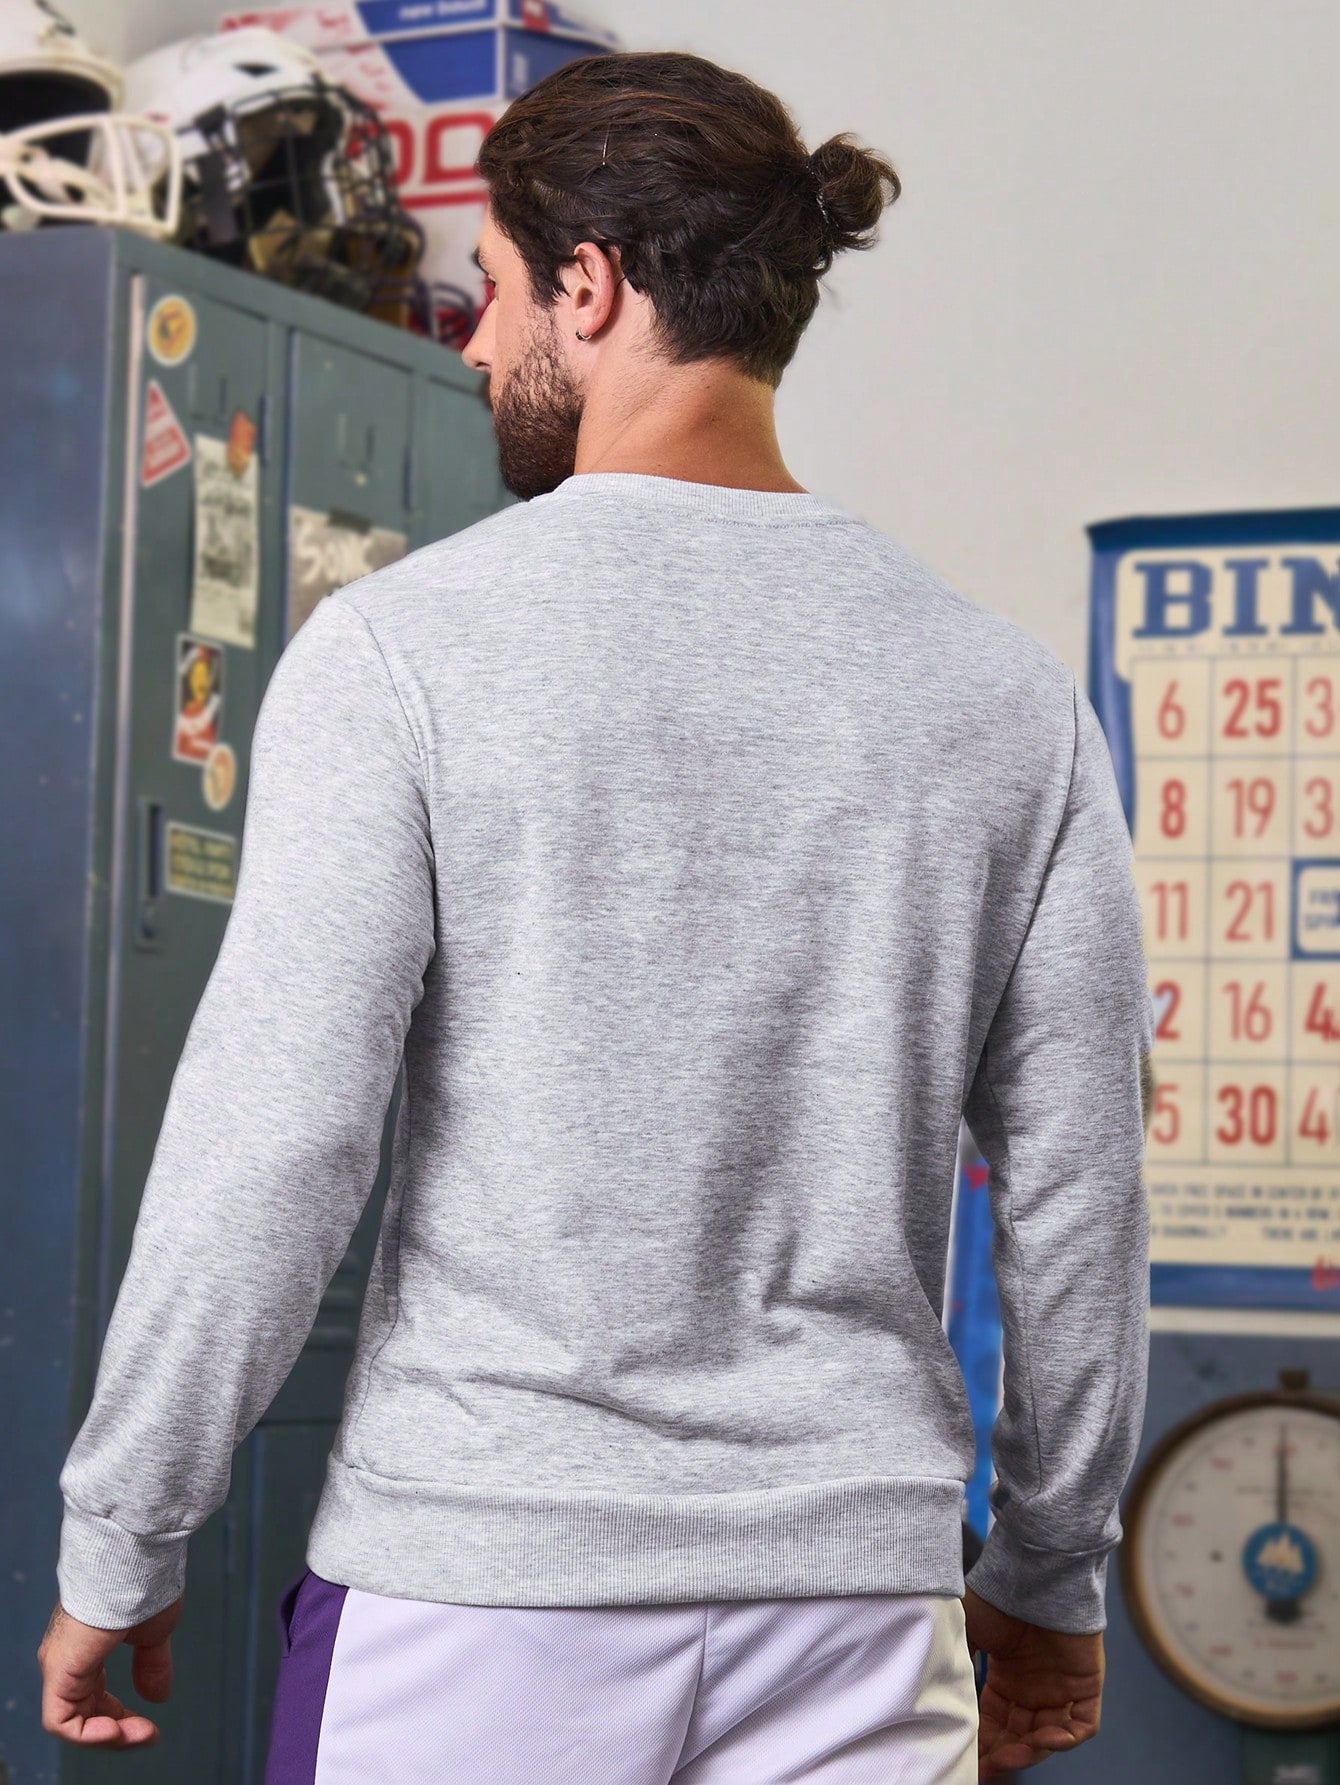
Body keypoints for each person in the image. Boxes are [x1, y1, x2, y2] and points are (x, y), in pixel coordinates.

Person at [38, 48, 1155, 1785]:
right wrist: (1051, 1570)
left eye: (490, 287)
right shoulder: (1010, 702)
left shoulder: (404, 653)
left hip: (481, 1595)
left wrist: (129, 1526)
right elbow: (1083, 1189)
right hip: (856, 1620)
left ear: (593, 283)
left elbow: (277, 1140)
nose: (473, 345)